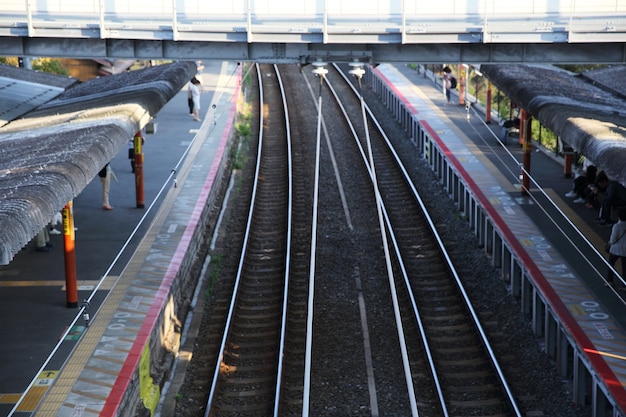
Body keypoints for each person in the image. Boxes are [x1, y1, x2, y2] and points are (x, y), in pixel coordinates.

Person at [606, 207, 626, 286]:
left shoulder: (617, 226)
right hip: (625, 250)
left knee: (611, 264)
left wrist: (609, 243)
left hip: (615, 249)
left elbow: (613, 239)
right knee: (625, 268)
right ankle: (624, 285)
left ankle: (610, 281)